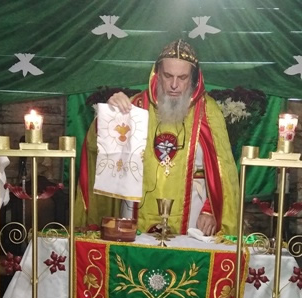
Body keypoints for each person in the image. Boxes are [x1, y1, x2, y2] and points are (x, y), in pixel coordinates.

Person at [76, 39, 239, 236]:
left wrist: (210, 210)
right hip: (135, 211)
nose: (174, 85)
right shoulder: (134, 106)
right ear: (157, 73)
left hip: (193, 214)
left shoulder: (208, 111)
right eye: (168, 76)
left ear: (194, 78)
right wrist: (110, 115)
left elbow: (223, 174)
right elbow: (96, 149)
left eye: (182, 77)